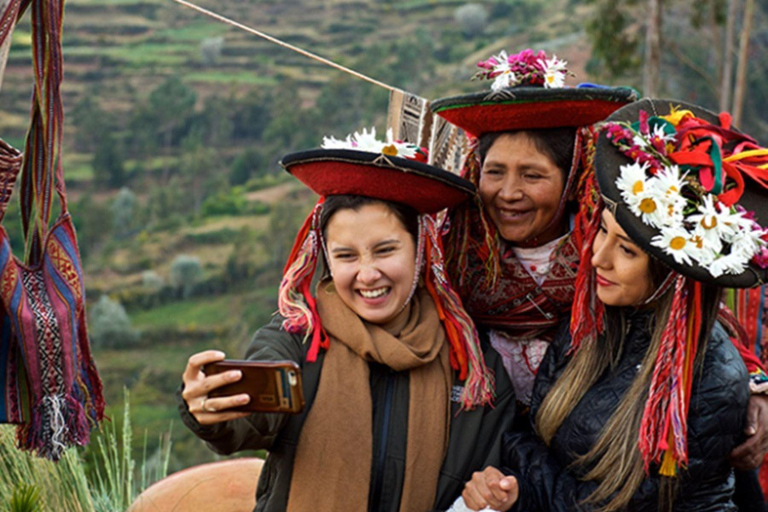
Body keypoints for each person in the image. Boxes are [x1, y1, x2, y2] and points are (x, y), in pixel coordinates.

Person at [431, 49, 768, 472]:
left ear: (572, 175)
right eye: (494, 172)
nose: (508, 192)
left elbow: (687, 316)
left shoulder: (611, 254)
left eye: (532, 175)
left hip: (585, 465)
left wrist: (755, 387)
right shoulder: (452, 255)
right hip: (473, 463)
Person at [177, 129, 516, 512]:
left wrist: (492, 492)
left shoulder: (471, 367)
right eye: (346, 256)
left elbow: (494, 470)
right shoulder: (298, 341)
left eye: (385, 250)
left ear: (422, 249)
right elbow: (246, 421)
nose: (368, 274)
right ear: (327, 258)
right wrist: (208, 410)